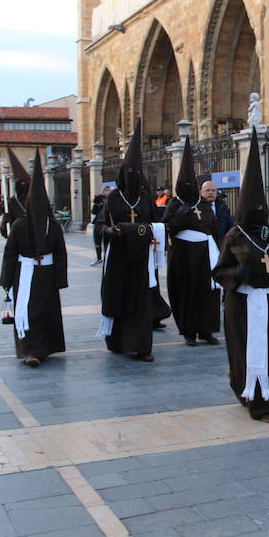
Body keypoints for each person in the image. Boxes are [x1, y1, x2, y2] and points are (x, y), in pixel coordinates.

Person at [213, 129, 269, 424]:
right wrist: (239, 273)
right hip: (244, 302)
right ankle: (247, 391)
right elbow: (220, 271)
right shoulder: (234, 236)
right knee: (244, 349)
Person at [96, 120, 166, 362]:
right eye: (129, 173)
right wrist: (110, 233)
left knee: (142, 302)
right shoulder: (113, 198)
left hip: (142, 259)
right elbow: (101, 225)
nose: (133, 177)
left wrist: (148, 232)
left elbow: (158, 224)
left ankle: (142, 346)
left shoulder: (146, 199)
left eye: (137, 173)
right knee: (119, 297)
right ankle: (116, 340)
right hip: (119, 258)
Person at [0, 150, 68, 367]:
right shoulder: (19, 225)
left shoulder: (53, 226)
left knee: (47, 311)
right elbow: (9, 253)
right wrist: (6, 280)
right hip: (26, 273)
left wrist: (60, 279)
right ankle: (29, 350)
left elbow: (60, 254)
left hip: (46, 274)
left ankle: (46, 347)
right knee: (28, 311)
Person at [163, 138, 221, 346]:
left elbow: (212, 228)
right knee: (187, 292)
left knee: (207, 292)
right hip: (183, 255)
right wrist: (183, 213)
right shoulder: (175, 204)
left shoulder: (204, 204)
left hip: (205, 252)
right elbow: (169, 227)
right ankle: (189, 331)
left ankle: (206, 330)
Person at [0, 148, 30, 239]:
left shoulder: (38, 200)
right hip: (18, 242)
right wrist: (5, 222)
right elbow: (5, 232)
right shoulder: (12, 202)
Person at [89, 185, 111, 266]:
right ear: (103, 191)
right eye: (106, 190)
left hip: (106, 223)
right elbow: (94, 212)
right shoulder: (99, 199)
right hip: (98, 223)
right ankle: (99, 259)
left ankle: (106, 259)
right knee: (97, 241)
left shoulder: (111, 199)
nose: (107, 192)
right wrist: (96, 203)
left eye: (109, 190)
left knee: (106, 242)